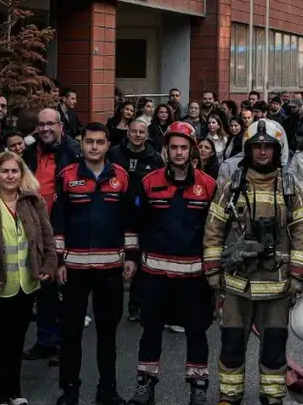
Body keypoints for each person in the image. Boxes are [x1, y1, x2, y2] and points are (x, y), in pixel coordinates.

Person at [202, 120, 303, 405]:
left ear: (277, 150)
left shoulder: (290, 188)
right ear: (248, 149)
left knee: (274, 348)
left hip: (276, 287)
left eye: (268, 147)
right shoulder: (232, 187)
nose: (263, 152)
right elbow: (213, 229)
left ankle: (272, 396)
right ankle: (229, 395)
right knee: (231, 346)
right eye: (257, 147)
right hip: (237, 285)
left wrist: (297, 276)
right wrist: (213, 274)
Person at [128, 122, 217, 405]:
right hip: (155, 275)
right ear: (166, 149)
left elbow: (215, 232)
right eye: (174, 147)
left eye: (184, 147)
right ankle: (145, 384)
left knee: (196, 332)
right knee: (151, 331)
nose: (179, 152)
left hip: (194, 277)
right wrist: (132, 259)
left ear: (192, 150)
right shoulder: (148, 182)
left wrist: (214, 272)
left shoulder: (208, 185)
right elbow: (134, 224)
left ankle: (198, 387)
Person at [52, 123, 139, 405]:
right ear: (82, 144)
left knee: (107, 333)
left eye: (100, 142)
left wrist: (131, 257)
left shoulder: (121, 176)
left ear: (107, 145)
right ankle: (69, 390)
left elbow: (129, 221)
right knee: (71, 333)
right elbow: (58, 222)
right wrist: (58, 261)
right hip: (74, 269)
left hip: (110, 269)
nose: (94, 147)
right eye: (89, 141)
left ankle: (108, 389)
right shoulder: (66, 176)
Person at [0, 152, 57, 405]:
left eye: (15, 171)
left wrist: (49, 265)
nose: (10, 176)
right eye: (4, 171)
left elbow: (47, 237)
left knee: (15, 344)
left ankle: (14, 392)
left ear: (22, 174)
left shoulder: (33, 202)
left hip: (25, 287)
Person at [21, 107, 82, 364]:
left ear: (60, 125)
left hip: (65, 228)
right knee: (43, 288)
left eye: (50, 124)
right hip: (35, 229)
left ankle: (64, 344)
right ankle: (45, 341)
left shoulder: (74, 152)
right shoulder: (29, 150)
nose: (45, 129)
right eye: (41, 124)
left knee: (65, 290)